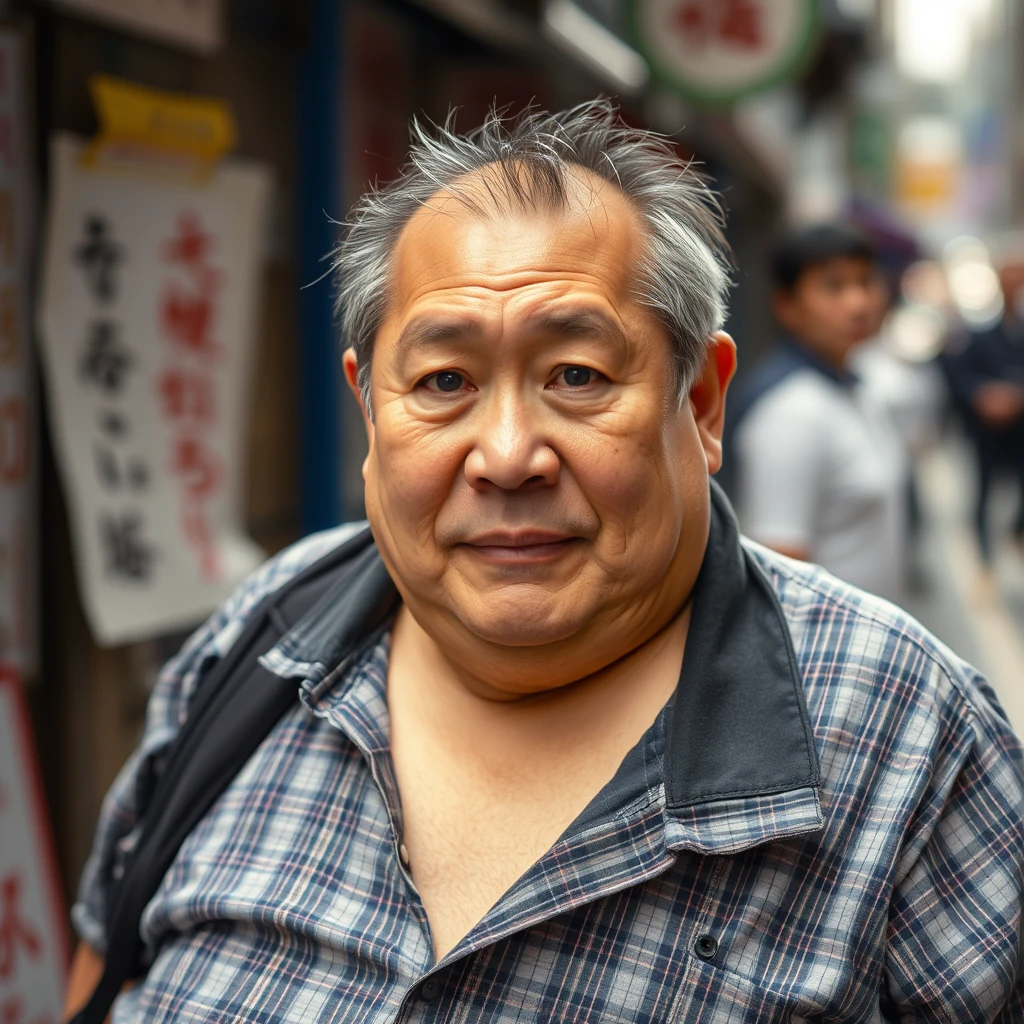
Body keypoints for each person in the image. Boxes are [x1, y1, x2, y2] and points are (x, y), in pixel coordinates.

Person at [65, 103, 1024, 1023]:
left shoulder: (909, 736)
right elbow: (105, 965)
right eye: (444, 382)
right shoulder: (267, 637)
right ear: (369, 410)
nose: (509, 454)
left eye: (577, 376)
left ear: (700, 405)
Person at [730, 223, 910, 605]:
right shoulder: (790, 412)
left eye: (865, 282)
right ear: (787, 306)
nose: (859, 303)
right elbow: (780, 579)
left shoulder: (854, 383)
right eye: (834, 286)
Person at [942, 253, 1024, 566]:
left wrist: (1015, 396)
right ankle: (985, 560)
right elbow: (959, 374)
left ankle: (1014, 534)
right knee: (983, 494)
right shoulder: (979, 332)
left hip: (1019, 430)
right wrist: (982, 395)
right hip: (988, 432)